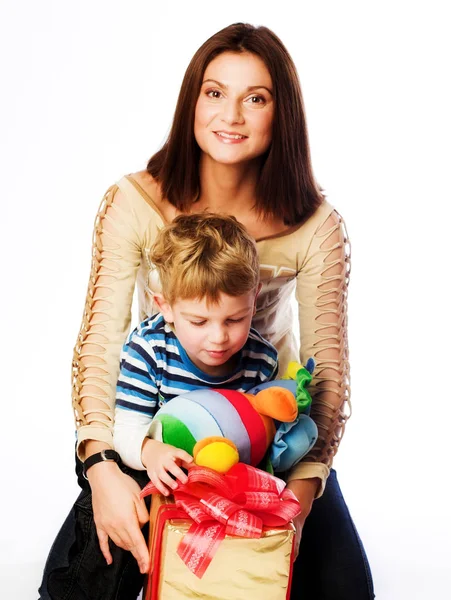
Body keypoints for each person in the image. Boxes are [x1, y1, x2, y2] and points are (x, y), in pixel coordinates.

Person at [39, 22, 374, 600]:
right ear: (192, 101)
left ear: (282, 114)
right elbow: (99, 346)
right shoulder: (134, 201)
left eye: (256, 98)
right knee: (80, 586)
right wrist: (104, 468)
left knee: (342, 587)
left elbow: (327, 378)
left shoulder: (317, 228)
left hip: (261, 432)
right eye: (215, 92)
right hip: (154, 432)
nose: (232, 116)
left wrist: (295, 500)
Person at [112, 212, 278, 494]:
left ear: (254, 298)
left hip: (232, 480)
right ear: (166, 307)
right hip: (164, 477)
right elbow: (126, 430)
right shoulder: (150, 351)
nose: (219, 338)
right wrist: (150, 451)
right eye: (199, 322)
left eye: (235, 319)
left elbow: (265, 436)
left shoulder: (261, 360)